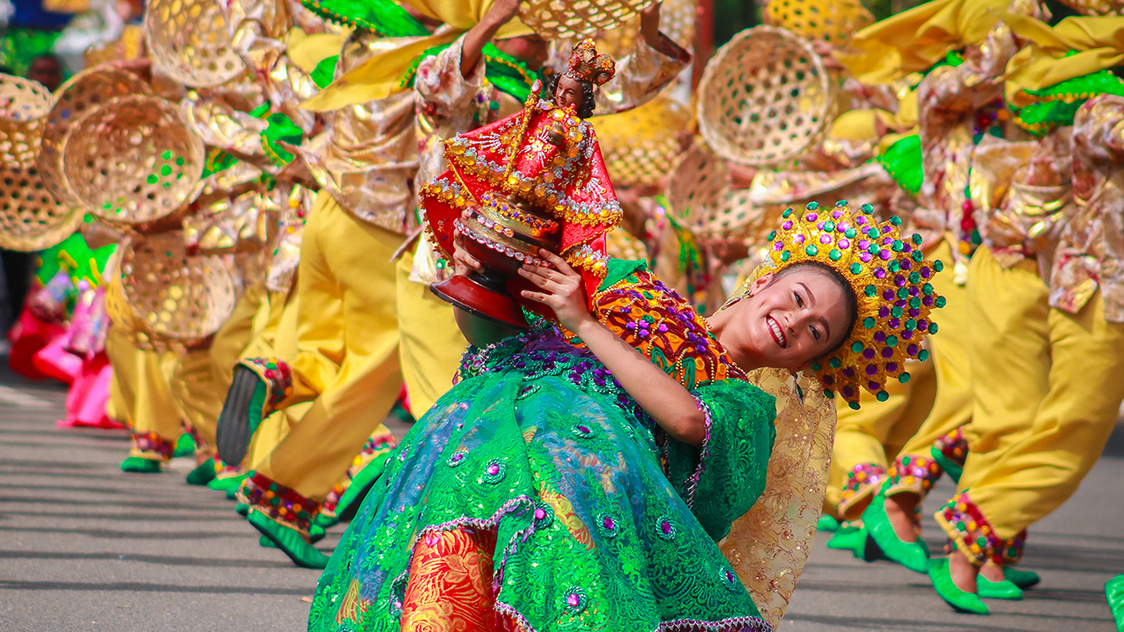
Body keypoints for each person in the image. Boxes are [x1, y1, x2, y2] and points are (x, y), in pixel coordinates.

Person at [307, 199, 942, 631]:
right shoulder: (629, 285)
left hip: (583, 498)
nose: (794, 322)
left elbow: (689, 421)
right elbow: (501, 336)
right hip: (491, 436)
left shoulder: (745, 407)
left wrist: (582, 323)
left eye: (815, 332)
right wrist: (479, 279)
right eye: (798, 298)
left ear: (809, 362)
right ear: (763, 281)